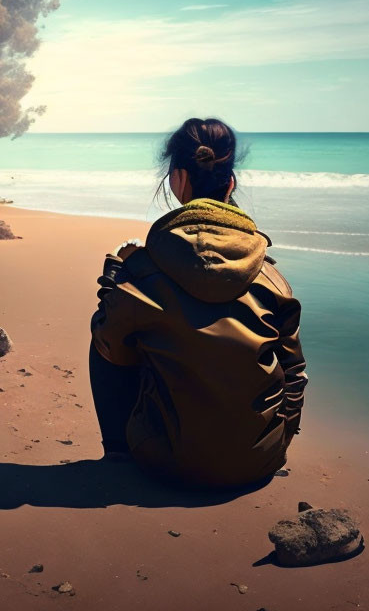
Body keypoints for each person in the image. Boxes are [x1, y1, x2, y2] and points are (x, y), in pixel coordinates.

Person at [88, 118, 308, 490]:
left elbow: (111, 345)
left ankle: (119, 454)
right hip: (259, 463)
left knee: (109, 330)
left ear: (178, 178)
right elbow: (294, 375)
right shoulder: (270, 276)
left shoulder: (144, 269)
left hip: (164, 462)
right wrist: (277, 443)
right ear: (231, 182)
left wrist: (117, 274)